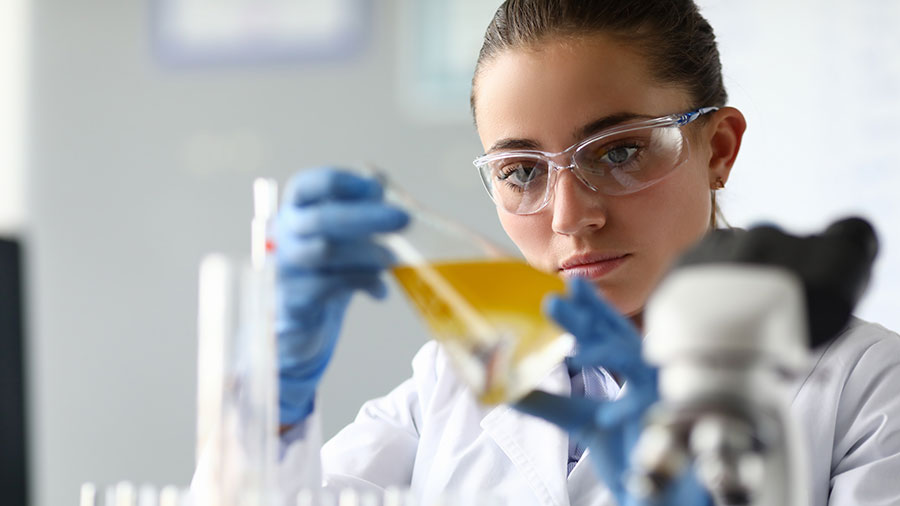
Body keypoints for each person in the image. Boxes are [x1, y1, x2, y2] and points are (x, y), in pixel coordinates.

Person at [200, 1, 900, 505]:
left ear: (716, 148)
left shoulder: (865, 389)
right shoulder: (446, 392)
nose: (572, 217)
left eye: (620, 151)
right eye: (522, 171)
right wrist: (273, 401)